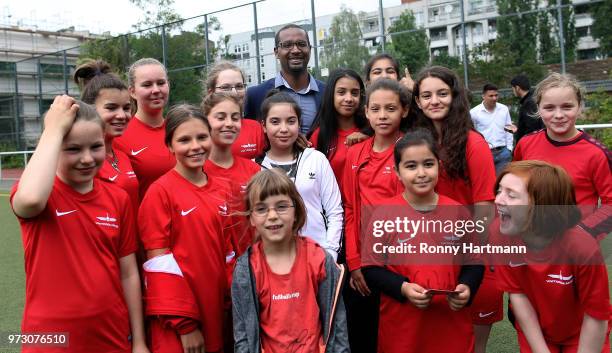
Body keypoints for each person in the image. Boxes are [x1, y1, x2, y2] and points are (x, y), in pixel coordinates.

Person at [10, 96, 147, 353]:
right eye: (73, 149)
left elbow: (128, 273)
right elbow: (29, 200)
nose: (86, 159)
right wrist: (53, 128)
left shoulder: (118, 198)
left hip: (111, 334)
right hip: (49, 338)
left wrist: (138, 341)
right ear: (53, 146)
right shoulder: (41, 194)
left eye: (95, 147)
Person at [362, 129, 484, 353]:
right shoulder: (384, 214)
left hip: (451, 325)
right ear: (397, 172)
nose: (421, 173)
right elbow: (371, 268)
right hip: (402, 329)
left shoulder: (458, 212)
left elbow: (475, 262)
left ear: (439, 166)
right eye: (410, 166)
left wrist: (467, 287)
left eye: (428, 164)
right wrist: (403, 287)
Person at [412, 66, 498, 353]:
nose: (434, 101)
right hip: (428, 257)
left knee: (473, 345)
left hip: (469, 258)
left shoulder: (474, 143)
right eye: (426, 95)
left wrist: (467, 259)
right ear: (417, 102)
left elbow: (485, 208)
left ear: (454, 96)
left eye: (442, 93)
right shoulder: (416, 144)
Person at [138, 105, 232, 353]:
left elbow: (229, 252)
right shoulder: (160, 193)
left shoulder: (223, 188)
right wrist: (185, 325)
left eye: (202, 137)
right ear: (169, 145)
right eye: (184, 140)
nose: (195, 146)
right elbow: (158, 264)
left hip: (217, 313)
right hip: (178, 322)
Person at [493, 160, 610, 353]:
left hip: (583, 331)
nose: (497, 200)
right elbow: (518, 295)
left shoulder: (581, 247)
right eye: (499, 191)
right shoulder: (500, 235)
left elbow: (596, 316)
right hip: (536, 329)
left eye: (510, 195)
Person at [231, 168, 349, 353]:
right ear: (252, 218)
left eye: (281, 206)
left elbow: (337, 329)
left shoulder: (318, 259)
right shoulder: (247, 269)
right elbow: (244, 336)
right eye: (261, 209)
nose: (272, 216)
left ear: (296, 211)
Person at [341, 78, 411, 352]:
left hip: (400, 260)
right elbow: (349, 208)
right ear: (366, 112)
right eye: (376, 109)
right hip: (365, 260)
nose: (383, 115)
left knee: (400, 334)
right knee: (364, 334)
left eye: (390, 108)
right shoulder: (355, 152)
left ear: (404, 110)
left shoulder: (410, 150)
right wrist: (354, 262)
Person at [513, 73, 611, 240]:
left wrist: (583, 231)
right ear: (538, 108)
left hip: (576, 250)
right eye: (549, 108)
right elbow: (514, 187)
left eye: (567, 107)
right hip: (532, 242)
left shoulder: (597, 154)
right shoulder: (525, 144)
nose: (558, 115)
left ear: (580, 107)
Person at [256, 91, 343, 260]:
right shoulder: (254, 167)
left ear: (299, 123)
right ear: (264, 126)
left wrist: (330, 253)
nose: (284, 129)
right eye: (275, 122)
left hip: (317, 256)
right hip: (273, 260)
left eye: (291, 121)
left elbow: (334, 211)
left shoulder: (316, 159)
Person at [74, 59, 139, 210]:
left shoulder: (122, 156)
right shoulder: (83, 161)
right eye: (111, 108)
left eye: (126, 108)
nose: (122, 115)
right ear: (90, 109)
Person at [201, 92, 261, 255]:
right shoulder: (197, 171)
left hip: (251, 264)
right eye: (220, 118)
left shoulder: (253, 170)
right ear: (205, 121)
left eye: (235, 118)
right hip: (214, 263)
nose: (229, 123)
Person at [244, 24, 326, 134]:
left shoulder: (328, 93)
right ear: (276, 52)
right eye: (287, 45)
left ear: (310, 49)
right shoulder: (255, 95)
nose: (296, 50)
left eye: (301, 44)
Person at [115, 58, 175, 200]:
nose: (156, 90)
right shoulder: (120, 136)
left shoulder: (179, 129)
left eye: (161, 83)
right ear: (132, 92)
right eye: (147, 85)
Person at [308, 68, 369, 188]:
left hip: (366, 205)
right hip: (332, 206)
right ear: (331, 95)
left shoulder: (371, 131)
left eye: (354, 93)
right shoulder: (319, 136)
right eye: (341, 92)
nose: (349, 99)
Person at [205, 61, 266, 159]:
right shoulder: (200, 129)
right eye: (225, 87)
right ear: (211, 92)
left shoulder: (255, 127)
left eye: (239, 86)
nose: (234, 92)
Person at [470, 83, 514, 175]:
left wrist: (509, 148)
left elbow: (509, 129)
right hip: (484, 153)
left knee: (502, 182)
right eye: (491, 96)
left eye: (496, 95)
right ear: (483, 96)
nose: (494, 98)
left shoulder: (504, 109)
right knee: (487, 182)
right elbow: (472, 134)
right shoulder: (474, 113)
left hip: (503, 153)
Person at [510, 74, 543, 143]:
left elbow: (532, 129)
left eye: (513, 88)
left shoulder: (529, 103)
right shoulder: (532, 99)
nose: (513, 91)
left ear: (517, 88)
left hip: (532, 145)